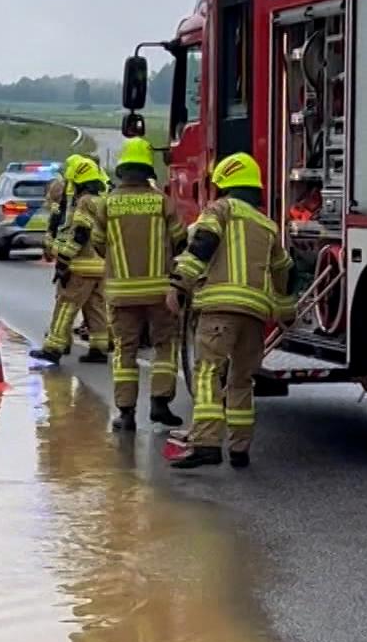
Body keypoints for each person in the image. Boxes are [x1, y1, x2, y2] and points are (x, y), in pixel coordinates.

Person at [167, 152, 293, 469]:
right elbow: (284, 271)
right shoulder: (267, 225)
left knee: (209, 371)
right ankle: (239, 449)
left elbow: (203, 244)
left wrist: (180, 284)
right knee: (241, 380)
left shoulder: (220, 210)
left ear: (225, 184)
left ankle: (207, 443)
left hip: (219, 310)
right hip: (254, 316)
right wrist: (285, 311)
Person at [103, 137, 187, 431]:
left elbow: (99, 243)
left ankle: (126, 415)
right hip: (159, 292)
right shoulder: (162, 202)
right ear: (147, 170)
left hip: (121, 293)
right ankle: (160, 403)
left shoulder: (108, 203)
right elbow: (180, 240)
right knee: (165, 345)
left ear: (122, 170)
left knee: (125, 351)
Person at [32, 157, 111, 365]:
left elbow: (80, 233)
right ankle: (99, 349)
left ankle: (53, 348)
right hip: (101, 267)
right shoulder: (104, 200)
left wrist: (63, 260)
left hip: (81, 266)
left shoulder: (84, 202)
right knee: (96, 309)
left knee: (66, 304)